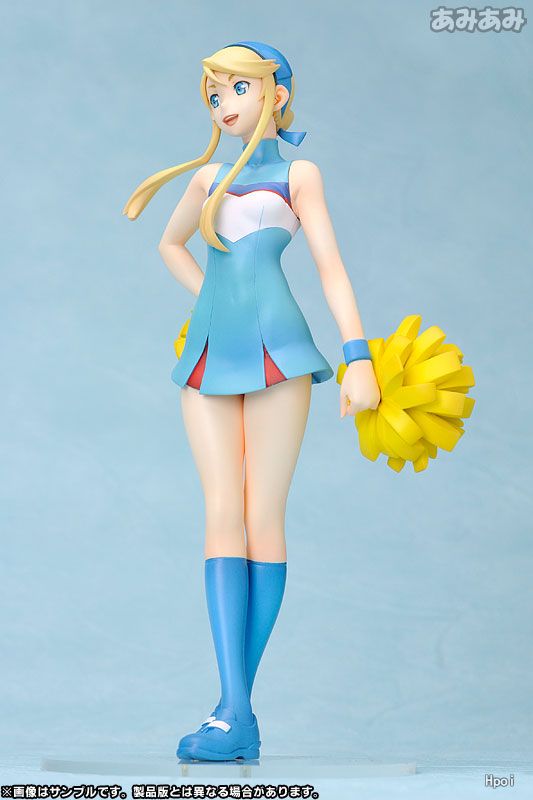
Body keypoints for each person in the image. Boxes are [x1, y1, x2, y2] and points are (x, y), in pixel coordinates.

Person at [123, 40, 380, 761]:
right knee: (220, 514)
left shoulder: (300, 174)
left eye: (236, 88)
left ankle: (233, 711)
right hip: (208, 354)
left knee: (262, 516)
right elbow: (171, 245)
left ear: (277, 94)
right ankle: (234, 711)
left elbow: (330, 267)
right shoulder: (207, 176)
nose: (223, 105)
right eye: (214, 94)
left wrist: (357, 355)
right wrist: (208, 299)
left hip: (279, 353)